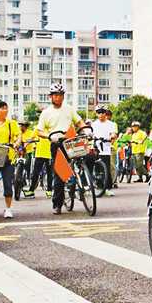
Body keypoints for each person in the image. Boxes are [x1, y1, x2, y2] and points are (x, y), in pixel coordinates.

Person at [36, 83, 87, 214]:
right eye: (55, 95)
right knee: (59, 174)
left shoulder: (69, 109)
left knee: (85, 158)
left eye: (60, 95)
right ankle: (57, 204)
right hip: (56, 143)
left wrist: (85, 129)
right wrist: (49, 136)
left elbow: (79, 122)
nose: (58, 98)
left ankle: (83, 181)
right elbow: (39, 131)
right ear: (50, 97)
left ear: (63, 96)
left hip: (71, 140)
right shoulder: (46, 113)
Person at [91, 104, 117, 196]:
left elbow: (114, 134)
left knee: (106, 168)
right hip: (95, 147)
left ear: (106, 113)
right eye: (98, 112)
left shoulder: (111, 124)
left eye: (102, 112)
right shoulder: (93, 124)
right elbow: (90, 134)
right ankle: (98, 186)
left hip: (106, 148)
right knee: (97, 169)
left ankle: (108, 188)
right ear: (96, 114)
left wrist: (111, 137)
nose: (101, 114)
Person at [25, 124, 53, 199]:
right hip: (40, 154)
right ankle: (31, 190)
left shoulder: (52, 127)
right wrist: (26, 143)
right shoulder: (38, 127)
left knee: (50, 173)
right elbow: (31, 138)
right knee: (35, 173)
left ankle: (49, 190)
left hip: (50, 153)